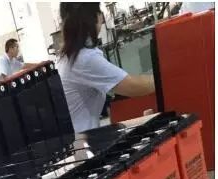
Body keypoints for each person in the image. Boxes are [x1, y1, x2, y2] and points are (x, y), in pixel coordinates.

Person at [57, 3, 155, 133]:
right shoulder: (84, 58)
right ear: (96, 17)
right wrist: (166, 78)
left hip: (80, 135)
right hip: (83, 139)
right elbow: (135, 87)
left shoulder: (69, 56)